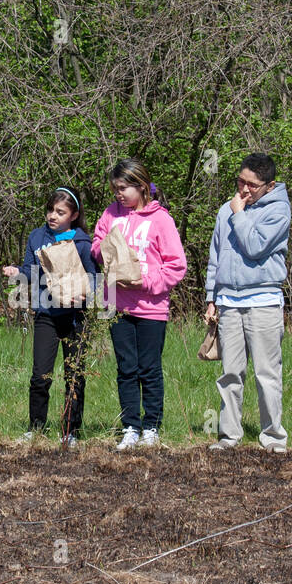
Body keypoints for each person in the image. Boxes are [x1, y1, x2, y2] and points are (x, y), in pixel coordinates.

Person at [90, 158, 187, 450]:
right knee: (126, 368)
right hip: (117, 304)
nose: (118, 194)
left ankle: (151, 426)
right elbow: (97, 244)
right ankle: (130, 426)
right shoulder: (111, 214)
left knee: (149, 368)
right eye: (115, 189)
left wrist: (144, 281)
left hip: (151, 308)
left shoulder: (161, 219)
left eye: (123, 188)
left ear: (141, 186)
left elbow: (176, 266)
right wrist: (106, 252)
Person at [204, 153, 291, 452]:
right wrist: (211, 298)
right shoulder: (224, 211)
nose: (243, 189)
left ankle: (273, 438)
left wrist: (238, 214)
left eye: (251, 185)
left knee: (266, 372)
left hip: (264, 301)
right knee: (230, 373)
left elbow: (255, 246)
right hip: (228, 302)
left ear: (269, 185)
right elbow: (215, 257)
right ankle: (229, 436)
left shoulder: (278, 210)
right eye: (240, 181)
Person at [2, 185, 96, 447]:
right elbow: (30, 270)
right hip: (46, 313)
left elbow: (94, 278)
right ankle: (36, 427)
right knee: (40, 374)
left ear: (74, 215)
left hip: (76, 317)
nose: (52, 216)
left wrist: (87, 296)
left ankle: (70, 430)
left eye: (60, 212)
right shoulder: (37, 236)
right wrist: (16, 272)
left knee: (74, 374)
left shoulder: (82, 243)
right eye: (50, 210)